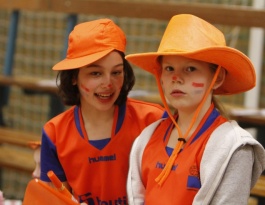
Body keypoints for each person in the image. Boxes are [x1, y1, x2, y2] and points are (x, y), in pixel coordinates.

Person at [125, 14, 265, 205]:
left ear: (217, 78)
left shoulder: (234, 147)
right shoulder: (147, 138)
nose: (177, 78)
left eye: (190, 69)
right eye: (168, 69)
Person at [39, 18, 165, 205]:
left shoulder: (153, 120)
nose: (108, 83)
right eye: (95, 73)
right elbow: (52, 200)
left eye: (116, 72)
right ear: (74, 76)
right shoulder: (54, 133)